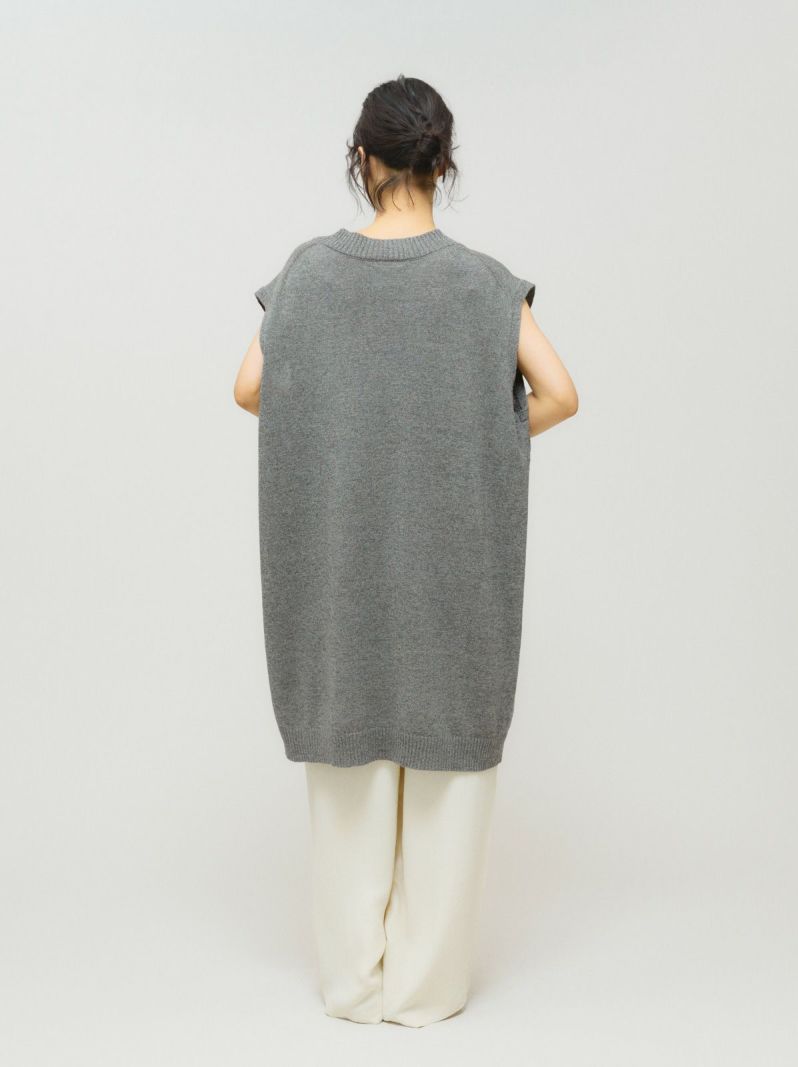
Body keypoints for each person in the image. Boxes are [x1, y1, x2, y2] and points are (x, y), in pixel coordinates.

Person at [234, 74, 578, 1027]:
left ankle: (353, 986)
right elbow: (559, 392)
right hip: (451, 582)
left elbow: (249, 388)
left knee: (345, 778)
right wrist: (475, 432)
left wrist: (338, 422)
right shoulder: (482, 284)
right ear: (442, 162)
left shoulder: (308, 275)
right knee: (448, 782)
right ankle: (427, 994)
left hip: (340, 582)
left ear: (363, 157)